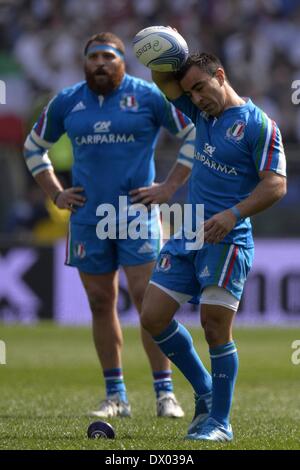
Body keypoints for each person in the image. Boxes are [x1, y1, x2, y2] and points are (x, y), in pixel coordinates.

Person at [23, 32, 196, 418]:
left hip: (137, 214)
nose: (100, 63)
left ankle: (165, 393)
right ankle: (116, 396)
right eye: (94, 57)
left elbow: (194, 135)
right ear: (85, 63)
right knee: (101, 304)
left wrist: (169, 186)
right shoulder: (67, 101)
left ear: (123, 61)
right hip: (88, 218)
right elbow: (33, 147)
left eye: (108, 56)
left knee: (148, 304)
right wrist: (55, 192)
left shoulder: (149, 96)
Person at [140, 52, 287, 441]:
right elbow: (161, 77)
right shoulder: (202, 112)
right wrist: (169, 47)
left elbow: (276, 184)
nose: (196, 98)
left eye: (201, 88)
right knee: (153, 316)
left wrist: (233, 215)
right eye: (190, 91)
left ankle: (219, 422)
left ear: (220, 76)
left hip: (228, 237)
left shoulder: (259, 125)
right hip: (189, 232)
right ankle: (206, 389)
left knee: (214, 326)